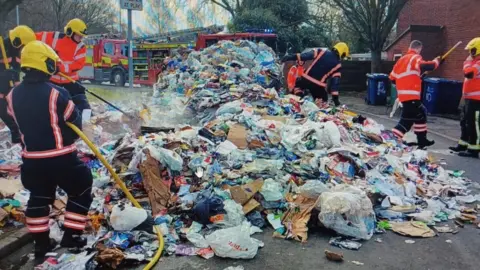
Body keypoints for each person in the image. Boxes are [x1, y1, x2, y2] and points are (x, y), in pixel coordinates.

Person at [5, 41, 93, 261]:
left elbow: (15, 127)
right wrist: (79, 99)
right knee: (81, 188)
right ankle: (72, 236)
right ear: (45, 63)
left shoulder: (12, 96)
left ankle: (41, 246)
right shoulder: (57, 93)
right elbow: (75, 122)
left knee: (38, 198)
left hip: (32, 161)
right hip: (61, 158)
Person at [389, 40, 442, 149]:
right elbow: (428, 66)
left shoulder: (401, 61)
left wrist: (412, 79)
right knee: (406, 121)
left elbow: (392, 79)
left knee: (420, 114)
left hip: (404, 95)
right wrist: (437, 61)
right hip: (412, 95)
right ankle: (391, 140)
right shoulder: (415, 57)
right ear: (418, 48)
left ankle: (422, 141)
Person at [36, 18, 90, 112]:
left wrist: (60, 68)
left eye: (82, 36)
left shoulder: (81, 47)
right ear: (70, 32)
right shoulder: (55, 37)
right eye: (79, 35)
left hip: (71, 81)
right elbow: (35, 37)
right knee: (47, 103)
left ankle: (87, 120)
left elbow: (78, 65)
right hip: (52, 80)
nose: (81, 38)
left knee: (82, 102)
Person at [281, 42, 350, 107]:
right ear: (342, 54)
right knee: (322, 104)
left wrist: (290, 57)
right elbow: (335, 84)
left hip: (305, 79)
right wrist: (336, 100)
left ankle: (300, 100)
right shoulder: (338, 65)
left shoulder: (321, 51)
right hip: (318, 86)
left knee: (297, 86)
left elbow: (304, 56)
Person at [0, 25, 36, 144]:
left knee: (13, 112)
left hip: (8, 87)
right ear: (17, 41)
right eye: (24, 46)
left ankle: (17, 137)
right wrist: (3, 74)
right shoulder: (1, 47)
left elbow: (17, 69)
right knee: (4, 110)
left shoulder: (20, 53)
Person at [449, 38, 480, 158]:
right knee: (465, 122)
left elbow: (469, 74)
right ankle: (463, 144)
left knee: (474, 124)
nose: (469, 53)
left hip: (477, 100)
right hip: (469, 98)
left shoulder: (477, 63)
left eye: (471, 50)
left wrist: (466, 63)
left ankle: (474, 149)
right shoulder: (474, 62)